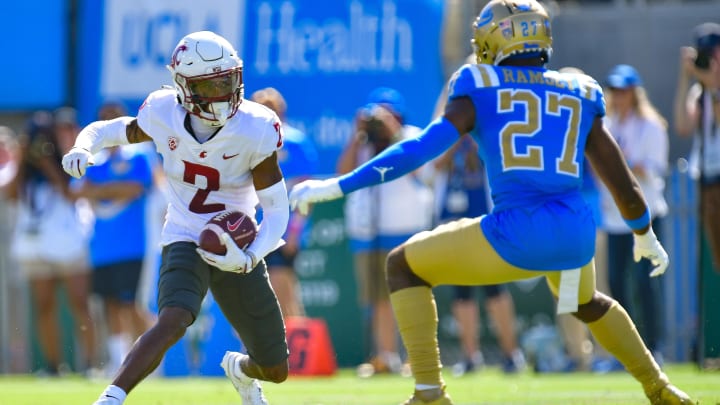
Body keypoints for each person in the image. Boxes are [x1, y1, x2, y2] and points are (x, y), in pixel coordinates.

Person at [289, 1, 693, 404]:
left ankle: (430, 392)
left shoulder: (479, 84)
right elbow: (620, 179)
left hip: (516, 231)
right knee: (585, 303)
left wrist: (340, 185)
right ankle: (659, 386)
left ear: (496, 39)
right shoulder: (580, 90)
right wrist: (644, 233)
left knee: (402, 266)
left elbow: (419, 150)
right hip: (574, 234)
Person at [62, 31, 290, 405]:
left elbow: (277, 208)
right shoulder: (163, 111)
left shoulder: (255, 126)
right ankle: (111, 397)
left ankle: (241, 370)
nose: (222, 92)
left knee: (276, 369)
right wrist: (83, 146)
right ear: (184, 87)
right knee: (174, 318)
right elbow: (110, 129)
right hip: (185, 232)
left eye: (227, 80)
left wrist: (249, 256)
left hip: (237, 240)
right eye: (211, 84)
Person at [336, 87, 434, 377]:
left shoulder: (411, 135)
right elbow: (343, 173)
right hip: (368, 230)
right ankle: (386, 356)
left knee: (410, 294)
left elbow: (424, 174)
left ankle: (415, 358)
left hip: (405, 227)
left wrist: (393, 133)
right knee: (377, 297)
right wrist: (357, 135)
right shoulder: (364, 142)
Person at [432, 80, 525, 376]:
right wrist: (455, 141)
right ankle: (470, 356)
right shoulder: (448, 127)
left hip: (487, 218)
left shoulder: (490, 125)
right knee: (462, 291)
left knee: (494, 287)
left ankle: (512, 354)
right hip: (455, 220)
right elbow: (435, 166)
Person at [6, 110, 98, 376]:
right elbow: (10, 194)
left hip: (69, 242)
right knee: (44, 306)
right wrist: (24, 158)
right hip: (35, 246)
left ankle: (91, 364)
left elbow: (71, 194)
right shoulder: (23, 168)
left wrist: (48, 163)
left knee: (80, 303)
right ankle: (53, 366)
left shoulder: (69, 160)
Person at [74, 101, 156, 376]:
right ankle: (118, 362)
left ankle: (151, 361)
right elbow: (80, 191)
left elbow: (134, 188)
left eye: (114, 119)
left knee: (132, 305)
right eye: (103, 119)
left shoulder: (139, 155)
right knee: (109, 305)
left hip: (133, 245)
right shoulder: (94, 159)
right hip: (102, 248)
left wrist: (101, 190)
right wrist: (108, 190)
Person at [599, 64, 669, 366]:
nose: (619, 96)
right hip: (614, 218)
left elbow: (653, 170)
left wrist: (623, 164)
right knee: (615, 283)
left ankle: (655, 347)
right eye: (615, 91)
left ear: (634, 93)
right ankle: (626, 351)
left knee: (644, 283)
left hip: (646, 215)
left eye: (624, 90)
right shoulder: (607, 125)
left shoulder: (651, 126)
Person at [250, 87, 318, 318]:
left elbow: (306, 193)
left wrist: (295, 233)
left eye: (272, 110)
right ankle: (253, 351)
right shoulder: (248, 144)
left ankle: (295, 349)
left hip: (282, 231)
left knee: (282, 292)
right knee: (253, 296)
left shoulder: (295, 143)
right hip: (251, 231)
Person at [673, 22, 720, 272]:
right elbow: (683, 125)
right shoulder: (699, 91)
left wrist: (712, 84)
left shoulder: (712, 89)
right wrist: (685, 77)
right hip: (707, 179)